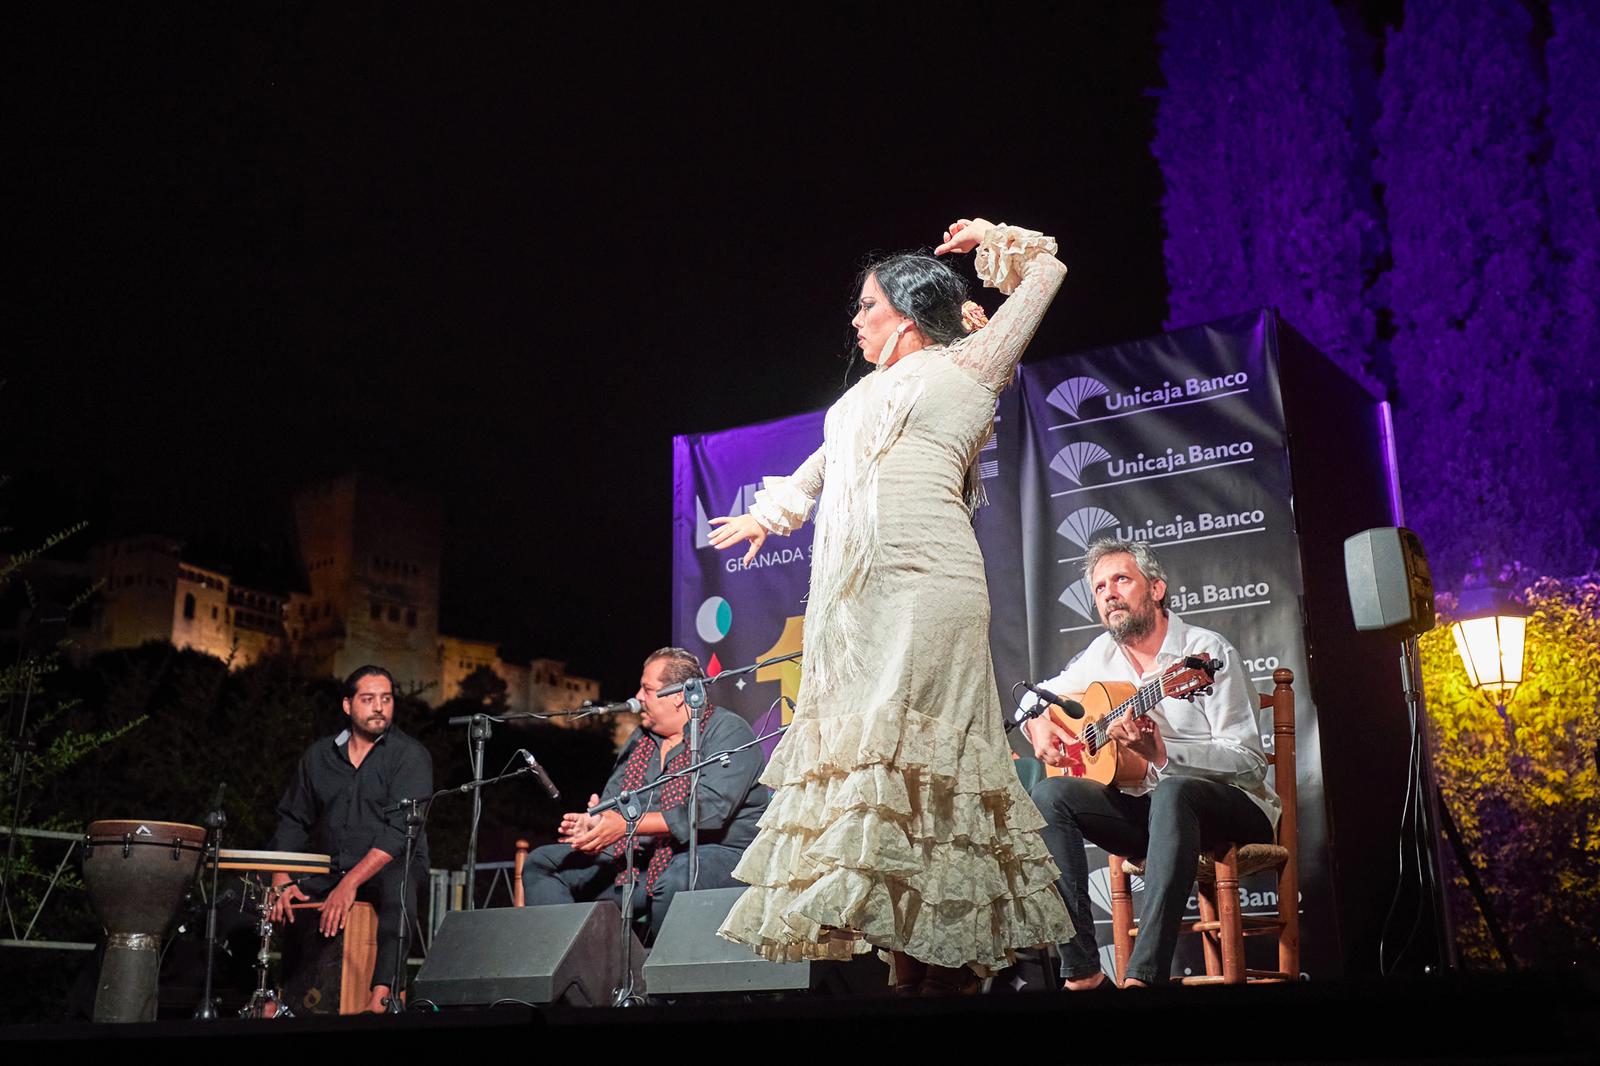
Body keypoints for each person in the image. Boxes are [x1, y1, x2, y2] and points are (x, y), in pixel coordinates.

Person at [709, 218, 1075, 993]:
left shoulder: (970, 363)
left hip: (927, 587)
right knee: (871, 776)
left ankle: (948, 971)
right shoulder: (861, 398)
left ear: (906, 313)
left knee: (918, 772)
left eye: (867, 305)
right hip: (853, 610)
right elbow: (820, 467)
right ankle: (907, 980)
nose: (855, 319)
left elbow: (1045, 274)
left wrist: (989, 238)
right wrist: (769, 514)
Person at [1022, 539, 1279, 988]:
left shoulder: (1204, 654)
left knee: (1174, 789)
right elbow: (1032, 696)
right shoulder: (1101, 655)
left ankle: (1144, 979)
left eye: (1121, 579)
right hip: (1151, 815)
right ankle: (1082, 972)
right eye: (1099, 587)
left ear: (1156, 589)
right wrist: (1039, 723)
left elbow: (1250, 762)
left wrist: (1163, 756)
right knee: (1048, 794)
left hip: (1234, 810)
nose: (1108, 593)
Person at [520, 647, 768, 940]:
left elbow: (709, 811)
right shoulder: (641, 740)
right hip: (642, 858)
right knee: (543, 864)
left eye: (647, 689)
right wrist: (594, 825)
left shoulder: (727, 731)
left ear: (678, 695)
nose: (637, 696)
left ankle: (666, 981)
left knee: (676, 879)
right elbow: (612, 802)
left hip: (720, 855)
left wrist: (625, 826)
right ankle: (582, 972)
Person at [268, 664, 433, 1013]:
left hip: (391, 863)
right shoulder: (318, 757)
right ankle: (276, 998)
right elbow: (293, 819)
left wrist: (350, 884)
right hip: (333, 867)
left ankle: (384, 993)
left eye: (386, 699)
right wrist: (281, 878)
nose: (379, 707)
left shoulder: (410, 756)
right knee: (253, 901)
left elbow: (399, 833)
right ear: (347, 705)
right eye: (369, 699)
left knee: (397, 884)